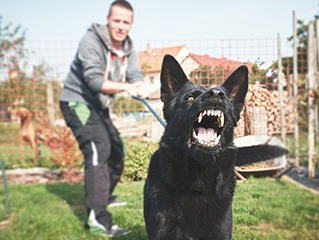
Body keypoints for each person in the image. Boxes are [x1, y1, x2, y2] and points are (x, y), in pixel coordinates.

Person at [59, 0, 147, 237]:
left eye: (126, 22)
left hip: (99, 107)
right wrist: (127, 88)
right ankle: (97, 218)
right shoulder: (91, 41)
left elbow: (135, 73)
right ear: (108, 20)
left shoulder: (128, 47)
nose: (121, 26)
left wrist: (138, 84)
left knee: (117, 151)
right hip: (78, 102)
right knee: (99, 148)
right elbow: (94, 81)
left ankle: (103, 195)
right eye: (116, 20)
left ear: (131, 24)